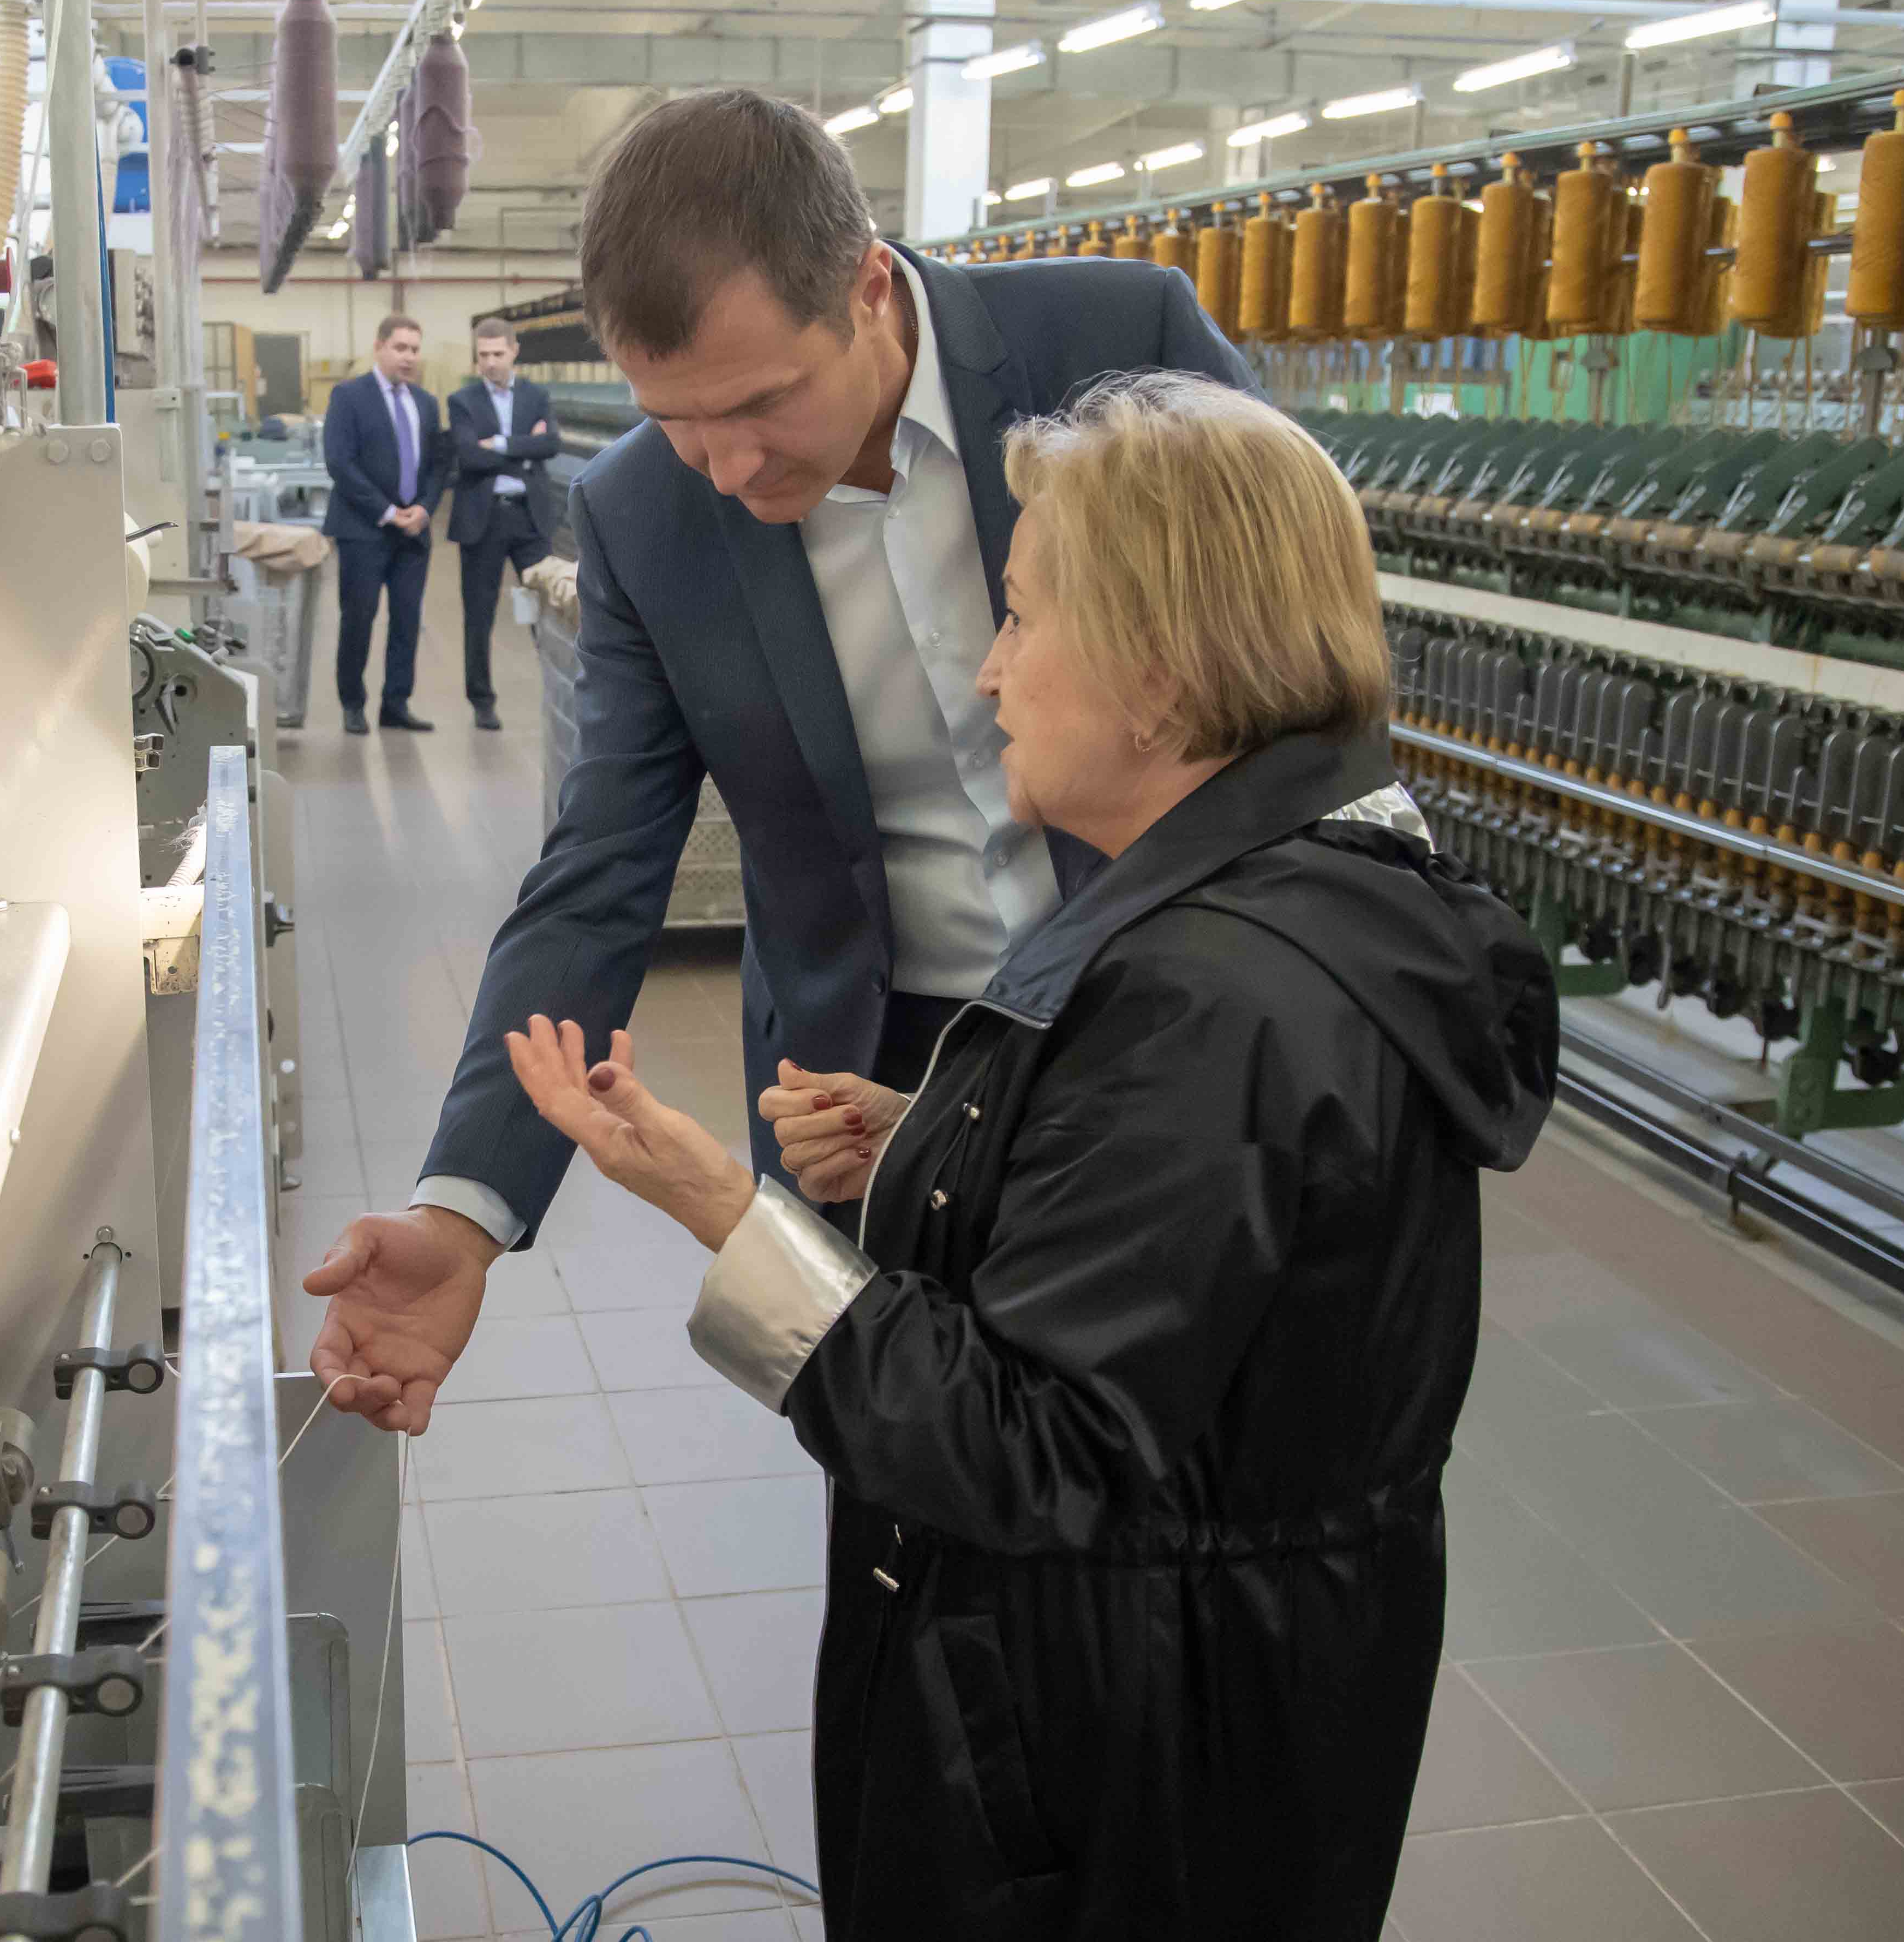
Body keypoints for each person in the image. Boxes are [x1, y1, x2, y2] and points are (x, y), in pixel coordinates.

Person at [505, 373, 1559, 1938]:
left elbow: (1025, 1441)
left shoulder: (1214, 995)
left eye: (1020, 615)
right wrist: (949, 1137)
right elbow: (1190, 1256)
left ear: (1158, 669)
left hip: (1133, 1748)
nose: (990, 669)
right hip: (1220, 1685)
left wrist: (720, 1207)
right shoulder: (1290, 907)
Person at [303, 88, 1258, 1435]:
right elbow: (597, 869)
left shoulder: (1118, 350)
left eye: (761, 403)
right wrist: (460, 1211)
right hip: (857, 1089)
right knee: (902, 1463)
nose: (726, 465)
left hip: (1172, 1027)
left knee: (1188, 1439)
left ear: (867, 289)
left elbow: (1295, 662)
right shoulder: (643, 514)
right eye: (677, 419)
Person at [320, 312, 448, 734]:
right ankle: (352, 703)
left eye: (414, 349)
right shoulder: (349, 396)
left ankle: (396, 703)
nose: (408, 357)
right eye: (400, 348)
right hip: (364, 530)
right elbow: (340, 462)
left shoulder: (425, 403)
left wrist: (424, 509)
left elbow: (437, 465)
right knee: (359, 619)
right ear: (379, 347)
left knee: (407, 621)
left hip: (414, 533)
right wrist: (389, 512)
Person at [443, 316, 564, 731]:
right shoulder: (462, 401)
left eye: (498, 354)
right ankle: (482, 701)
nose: (491, 362)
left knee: (547, 608)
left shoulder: (536, 396)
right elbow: (467, 455)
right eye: (483, 355)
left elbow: (551, 444)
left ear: (514, 352)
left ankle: (559, 691)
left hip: (529, 518)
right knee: (479, 615)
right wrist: (524, 451)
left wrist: (497, 444)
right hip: (484, 519)